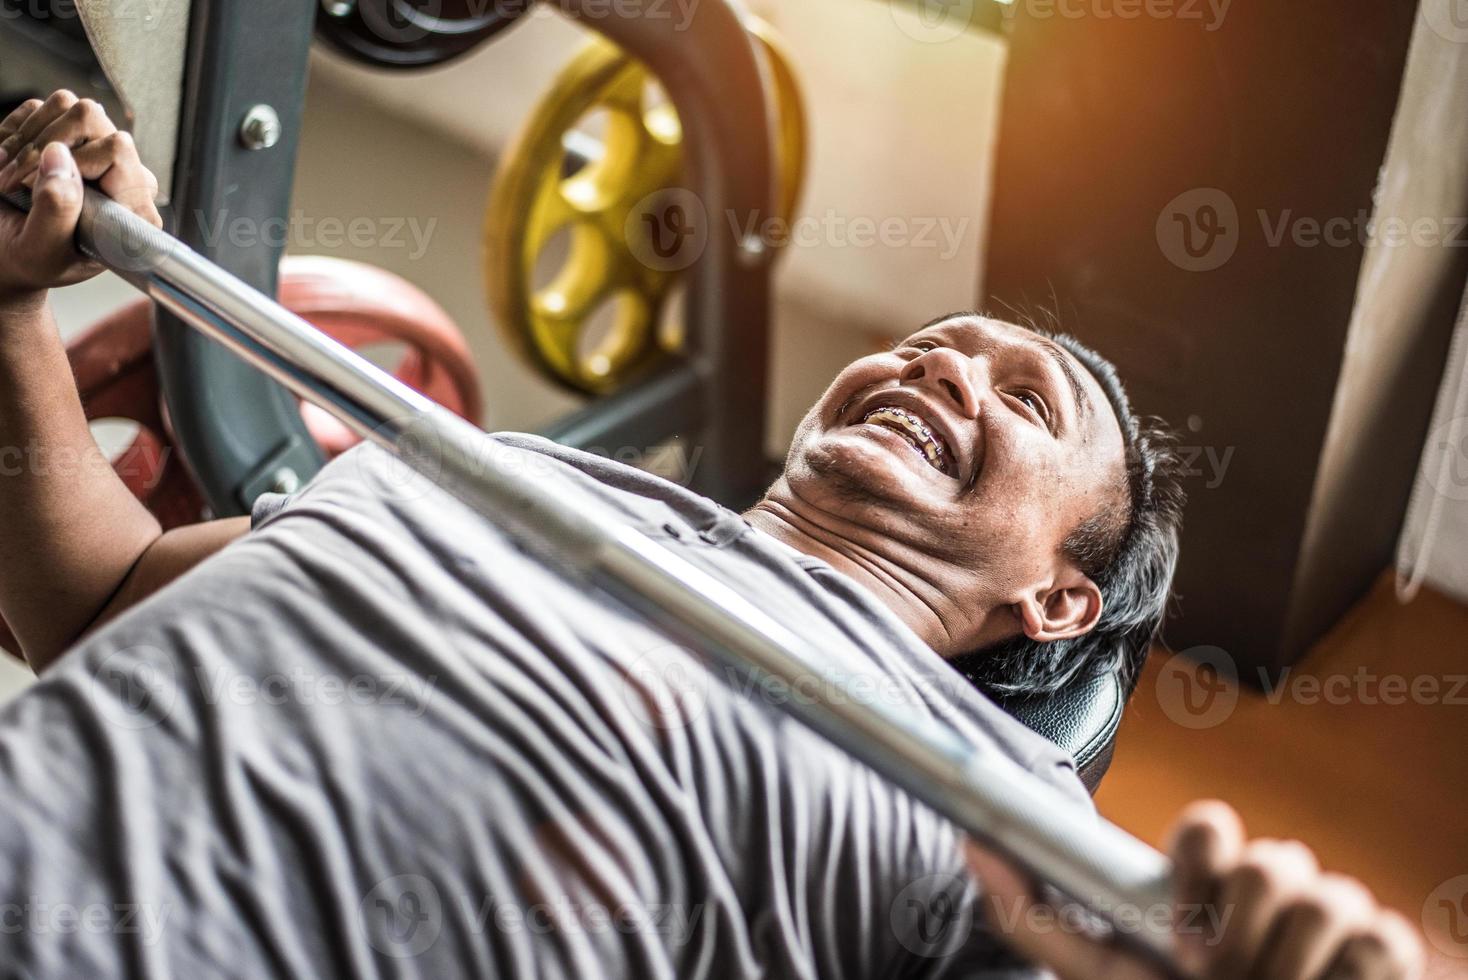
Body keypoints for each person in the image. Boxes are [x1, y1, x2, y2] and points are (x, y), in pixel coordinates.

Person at [0, 91, 1423, 978]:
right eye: (932, 343)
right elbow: (103, 593)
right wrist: (13, 310)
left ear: (1057, 602)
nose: (943, 368)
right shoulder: (489, 471)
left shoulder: (1007, 812)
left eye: (1024, 398)